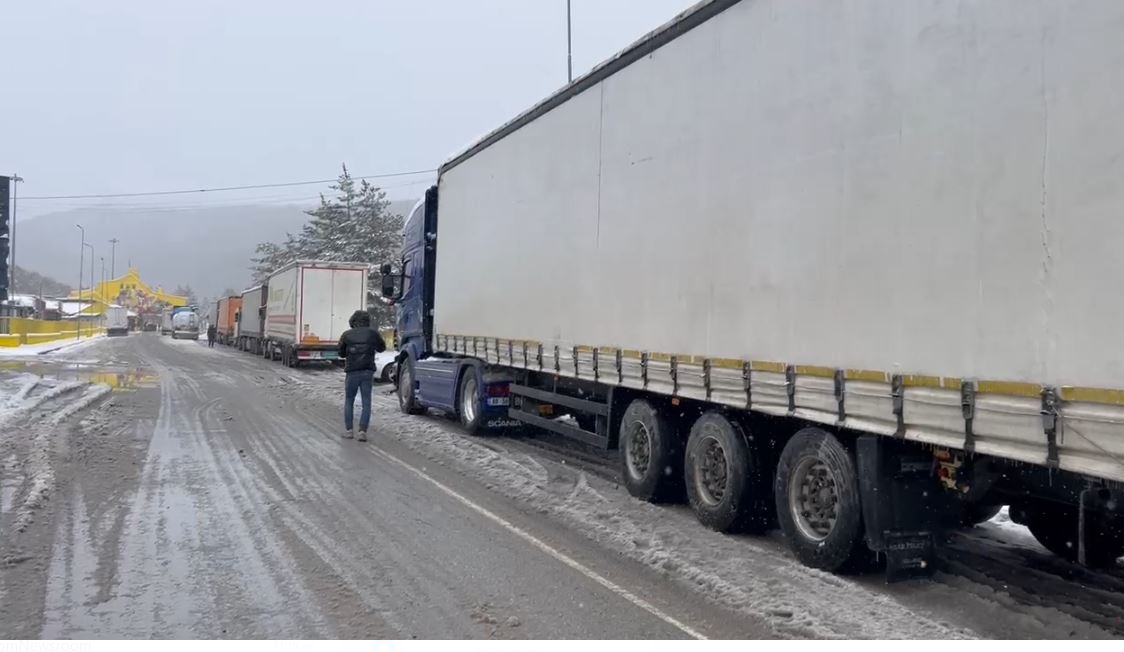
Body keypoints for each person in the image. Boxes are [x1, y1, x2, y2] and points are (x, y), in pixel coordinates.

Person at [337, 310, 386, 442]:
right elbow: (382, 348)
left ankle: (349, 430)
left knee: (349, 400)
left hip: (352, 371)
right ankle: (362, 431)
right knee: (366, 402)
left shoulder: (346, 335)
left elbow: (341, 353)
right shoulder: (373, 334)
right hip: (367, 371)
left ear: (353, 321)